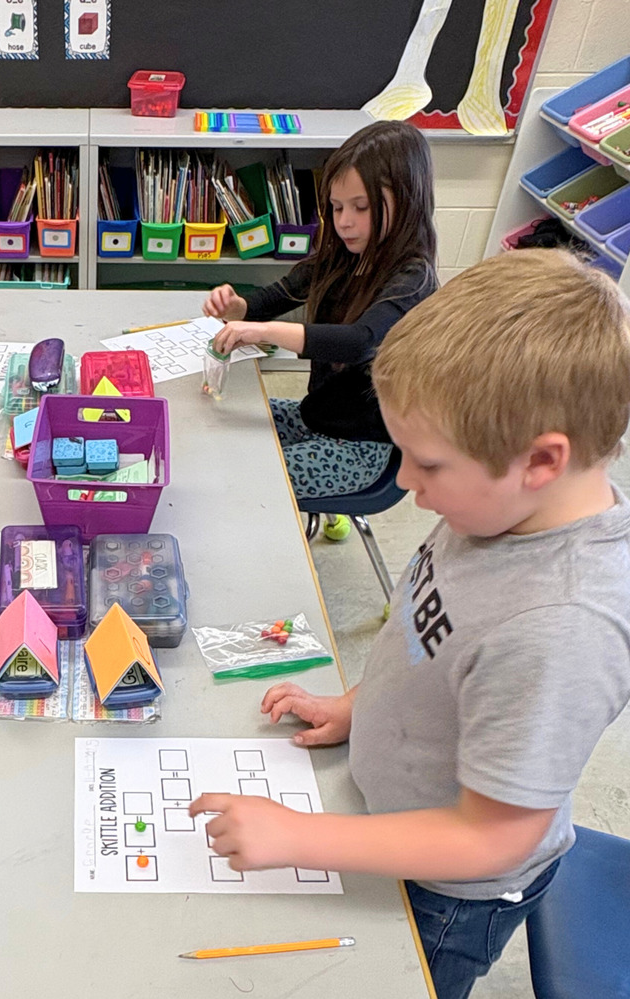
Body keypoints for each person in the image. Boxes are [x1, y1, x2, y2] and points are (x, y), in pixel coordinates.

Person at [189, 249, 630, 999]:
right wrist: (357, 705)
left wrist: (295, 836)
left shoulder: (561, 625)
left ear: (542, 461)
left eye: (426, 463)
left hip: (448, 893)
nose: (401, 483)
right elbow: (432, 638)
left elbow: (495, 833)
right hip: (393, 811)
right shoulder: (498, 507)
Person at [202, 120, 437, 500]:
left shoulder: (413, 280)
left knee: (237, 480)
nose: (344, 222)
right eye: (336, 207)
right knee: (216, 426)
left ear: (406, 201)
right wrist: (238, 307)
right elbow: (275, 297)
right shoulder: (343, 257)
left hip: (359, 449)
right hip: (314, 416)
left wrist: (261, 332)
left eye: (361, 208)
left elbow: (358, 342)